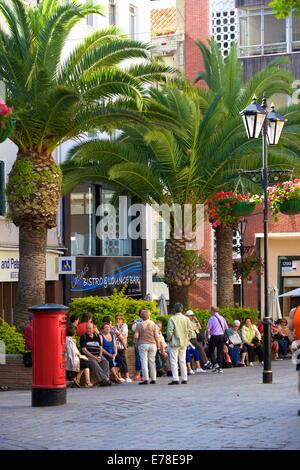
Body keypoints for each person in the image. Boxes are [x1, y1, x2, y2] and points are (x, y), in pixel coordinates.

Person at [167, 303, 194, 385]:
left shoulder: (172, 319)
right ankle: (184, 378)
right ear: (182, 309)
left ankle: (175, 379)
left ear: (174, 310)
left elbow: (169, 331)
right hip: (183, 343)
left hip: (174, 343)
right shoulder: (186, 319)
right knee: (182, 360)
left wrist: (169, 339)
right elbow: (190, 331)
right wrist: (187, 339)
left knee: (174, 361)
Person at [134, 309, 160, 385]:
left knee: (144, 362)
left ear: (141, 316)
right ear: (149, 315)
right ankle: (153, 379)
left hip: (142, 344)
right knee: (152, 362)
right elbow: (157, 336)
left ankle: (145, 379)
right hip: (153, 344)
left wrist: (135, 344)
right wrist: (158, 346)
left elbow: (136, 336)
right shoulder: (154, 324)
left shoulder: (139, 324)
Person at [205, 306, 228, 373]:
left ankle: (215, 364)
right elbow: (226, 328)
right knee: (220, 352)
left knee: (211, 351)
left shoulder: (211, 318)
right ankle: (220, 368)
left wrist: (207, 338)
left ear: (212, 310)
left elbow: (208, 329)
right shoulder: (222, 318)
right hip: (221, 336)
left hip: (214, 336)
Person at [288, 306, 300, 416]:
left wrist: (294, 341)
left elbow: (290, 329)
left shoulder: (294, 310)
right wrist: (293, 341)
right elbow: (290, 329)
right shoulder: (294, 311)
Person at [113, 315, 131, 383]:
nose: (118, 320)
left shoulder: (124, 325)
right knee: (118, 361)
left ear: (122, 320)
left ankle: (127, 376)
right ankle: (119, 376)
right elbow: (114, 336)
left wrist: (117, 330)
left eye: (119, 318)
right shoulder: (113, 327)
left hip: (122, 346)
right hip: (115, 346)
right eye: (116, 318)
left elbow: (123, 335)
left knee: (123, 360)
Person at [132, 315, 143, 381]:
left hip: (140, 343)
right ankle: (138, 374)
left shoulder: (136, 323)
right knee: (139, 359)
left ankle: (141, 375)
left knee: (140, 359)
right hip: (141, 343)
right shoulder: (137, 322)